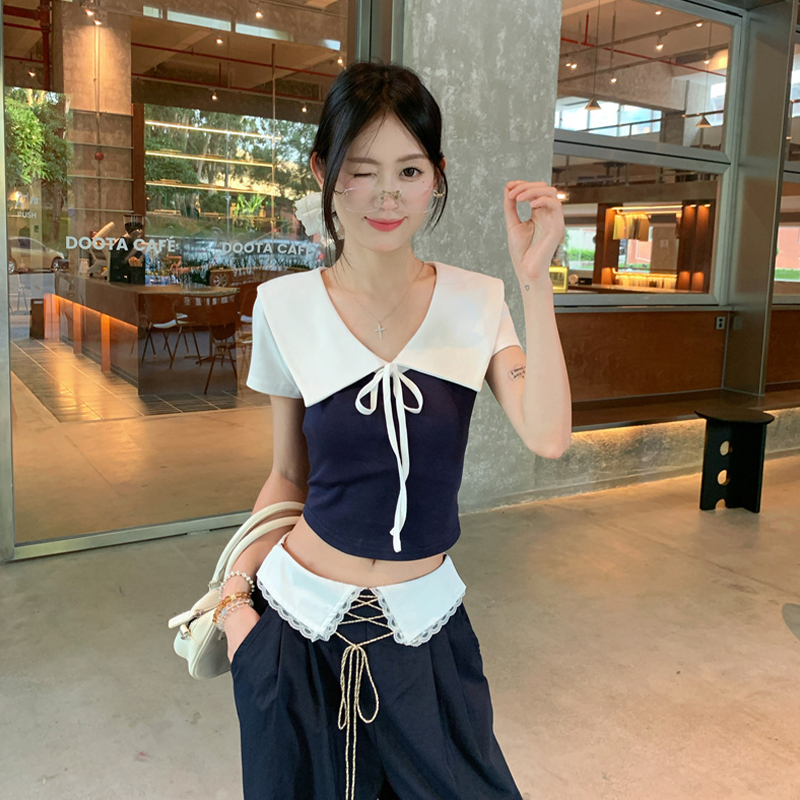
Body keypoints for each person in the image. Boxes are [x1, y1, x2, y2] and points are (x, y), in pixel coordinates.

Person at [214, 62, 572, 800]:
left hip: (424, 633)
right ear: (324, 172)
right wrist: (234, 606)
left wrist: (535, 280)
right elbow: (288, 476)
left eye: (409, 170)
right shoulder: (284, 306)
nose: (387, 195)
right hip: (294, 631)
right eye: (361, 170)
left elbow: (549, 436)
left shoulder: (478, 302)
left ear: (436, 177)